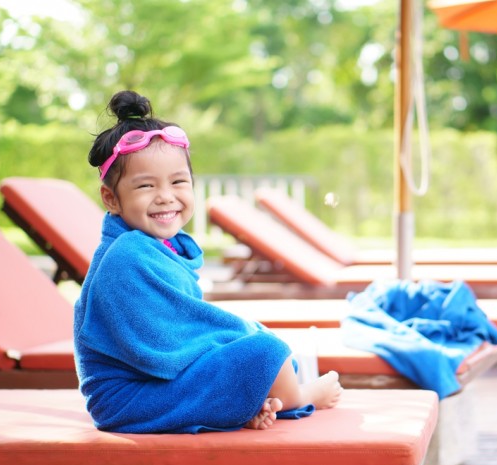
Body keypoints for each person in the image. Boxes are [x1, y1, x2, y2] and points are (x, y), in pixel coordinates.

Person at [74, 90, 342, 434]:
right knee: (265, 351)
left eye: (178, 182)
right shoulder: (126, 256)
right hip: (131, 398)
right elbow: (165, 342)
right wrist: (243, 338)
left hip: (160, 382)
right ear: (111, 198)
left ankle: (247, 405)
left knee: (256, 348)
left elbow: (187, 330)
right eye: (146, 186)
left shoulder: (159, 247)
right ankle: (301, 395)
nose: (166, 196)